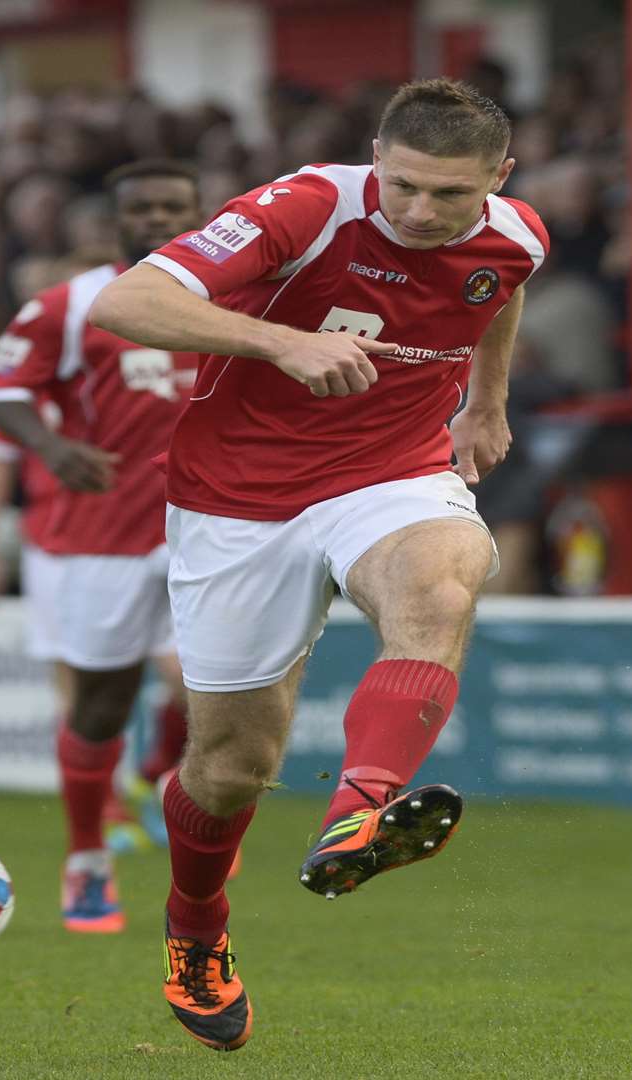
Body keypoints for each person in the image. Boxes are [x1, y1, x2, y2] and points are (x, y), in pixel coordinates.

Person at [88, 78, 546, 1051]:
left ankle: (361, 807)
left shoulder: (518, 233)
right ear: (376, 157)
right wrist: (279, 340)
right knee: (232, 766)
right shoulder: (309, 205)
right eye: (405, 187)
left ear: (497, 181)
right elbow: (130, 301)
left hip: (391, 470)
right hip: (237, 496)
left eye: (450, 196)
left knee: (441, 582)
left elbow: (498, 288)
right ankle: (196, 934)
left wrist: (488, 401)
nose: (422, 213)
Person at [0, 160, 204, 934]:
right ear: (119, 220)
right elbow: (1, 390)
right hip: (98, 539)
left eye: (175, 205)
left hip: (208, 531)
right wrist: (53, 444)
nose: (159, 218)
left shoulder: (238, 299)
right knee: (99, 702)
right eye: (144, 207)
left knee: (215, 692)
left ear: (202, 215)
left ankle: (175, 800)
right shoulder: (73, 305)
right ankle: (86, 856)